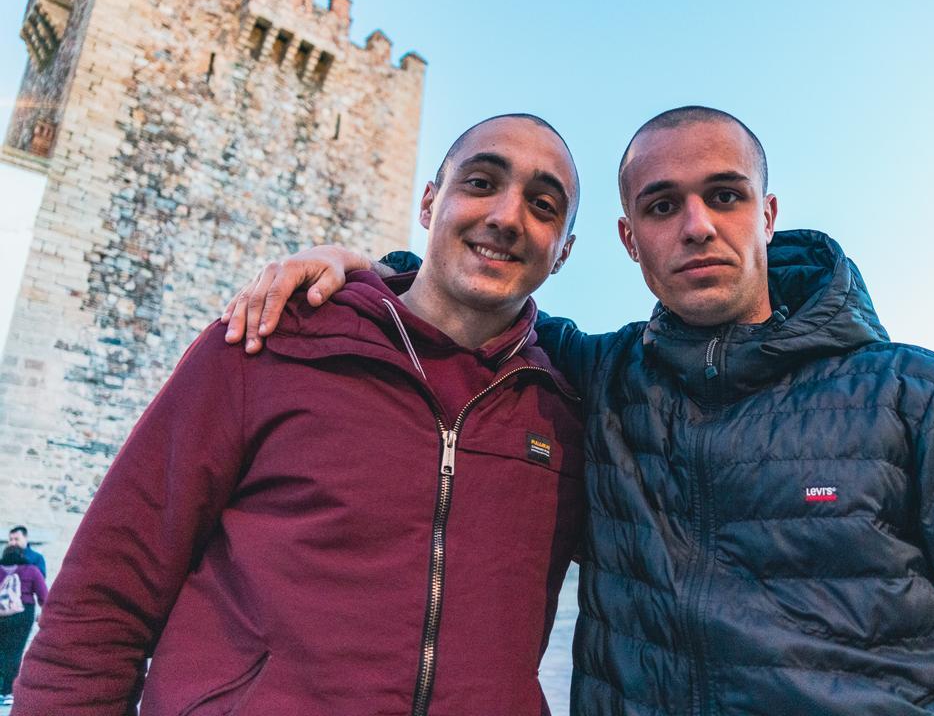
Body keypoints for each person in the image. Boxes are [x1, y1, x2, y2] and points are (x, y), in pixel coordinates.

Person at [224, 106, 934, 714]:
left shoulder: (918, 396)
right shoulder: (596, 378)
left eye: (724, 196)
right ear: (629, 240)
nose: (697, 225)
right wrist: (365, 272)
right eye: (663, 205)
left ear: (768, 213)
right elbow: (471, 307)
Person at [14, 114, 586, 715]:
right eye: (479, 182)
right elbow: (106, 595)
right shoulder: (268, 342)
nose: (505, 216)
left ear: (564, 252)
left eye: (543, 205)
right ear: (428, 201)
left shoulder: (567, 413)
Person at [0, 546, 47, 706]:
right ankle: (8, 692)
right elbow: (43, 596)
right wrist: (45, 614)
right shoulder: (31, 570)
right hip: (22, 614)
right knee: (15, 651)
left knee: (2, 651)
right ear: (22, 555)